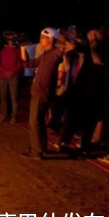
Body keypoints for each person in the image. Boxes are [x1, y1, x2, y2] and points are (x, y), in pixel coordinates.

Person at [20, 28, 66, 159]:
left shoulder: (54, 54)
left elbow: (64, 48)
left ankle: (37, 151)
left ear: (50, 39)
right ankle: (41, 148)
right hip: (39, 91)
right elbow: (28, 64)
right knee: (38, 122)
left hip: (42, 92)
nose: (40, 40)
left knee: (34, 122)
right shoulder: (46, 54)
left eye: (42, 37)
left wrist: (62, 40)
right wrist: (23, 48)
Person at [0, 34, 24, 122]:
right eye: (11, 40)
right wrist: (4, 71)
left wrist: (13, 71)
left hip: (13, 77)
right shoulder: (2, 51)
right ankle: (4, 115)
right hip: (3, 76)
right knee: (3, 97)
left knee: (13, 98)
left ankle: (13, 116)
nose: (12, 42)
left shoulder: (17, 51)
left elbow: (20, 63)